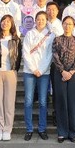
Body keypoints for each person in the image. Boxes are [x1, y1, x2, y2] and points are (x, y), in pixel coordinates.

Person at [0, 14, 22, 141]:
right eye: (3, 21)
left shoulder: (16, 40)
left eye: (8, 21)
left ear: (12, 24)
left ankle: (7, 129)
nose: (5, 23)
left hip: (10, 73)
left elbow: (18, 58)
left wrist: (13, 70)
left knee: (9, 102)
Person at [22, 11, 54, 141]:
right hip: (29, 72)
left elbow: (50, 54)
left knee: (43, 101)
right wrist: (34, 69)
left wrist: (41, 69)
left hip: (44, 72)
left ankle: (42, 128)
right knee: (28, 100)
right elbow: (25, 53)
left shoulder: (51, 35)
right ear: (35, 20)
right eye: (38, 19)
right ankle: (29, 129)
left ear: (46, 21)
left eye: (43, 19)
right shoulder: (29, 34)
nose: (40, 21)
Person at [52, 16, 75, 143]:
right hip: (60, 74)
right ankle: (62, 132)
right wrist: (63, 71)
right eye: (65, 23)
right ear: (62, 25)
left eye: (70, 24)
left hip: (73, 74)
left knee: (72, 103)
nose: (67, 26)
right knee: (61, 102)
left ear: (74, 26)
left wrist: (71, 72)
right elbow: (55, 56)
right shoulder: (57, 40)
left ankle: (73, 132)